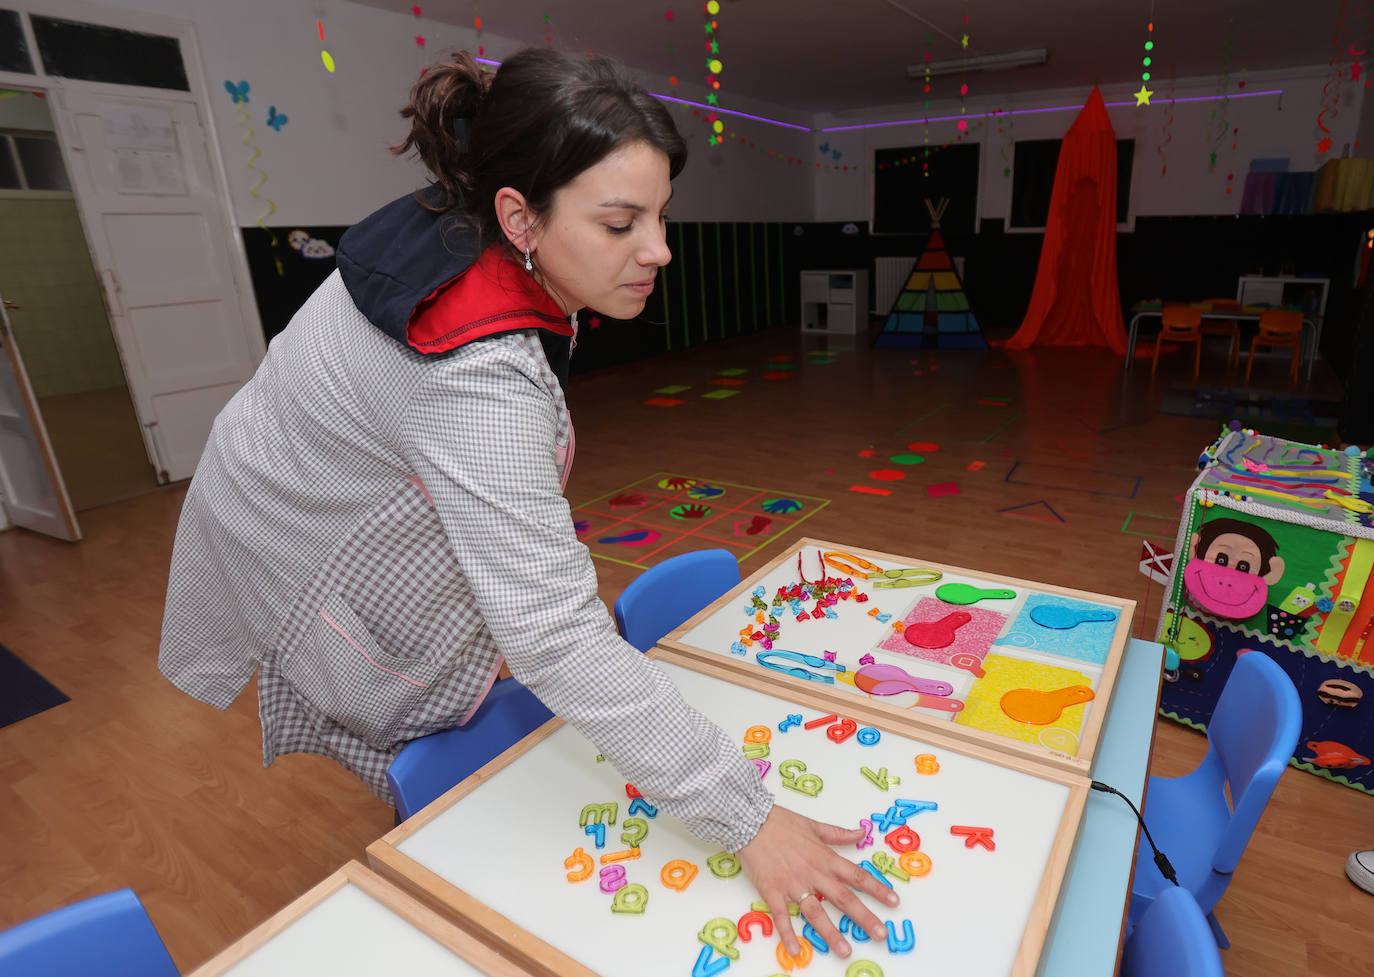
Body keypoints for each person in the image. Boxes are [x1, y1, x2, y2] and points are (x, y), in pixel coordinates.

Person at [157, 47, 896, 957]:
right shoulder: (475, 376)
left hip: (334, 481)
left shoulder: (488, 220)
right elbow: (551, 630)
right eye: (622, 222)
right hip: (302, 531)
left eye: (661, 216)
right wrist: (747, 816)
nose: (659, 249)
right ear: (519, 216)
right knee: (450, 723)